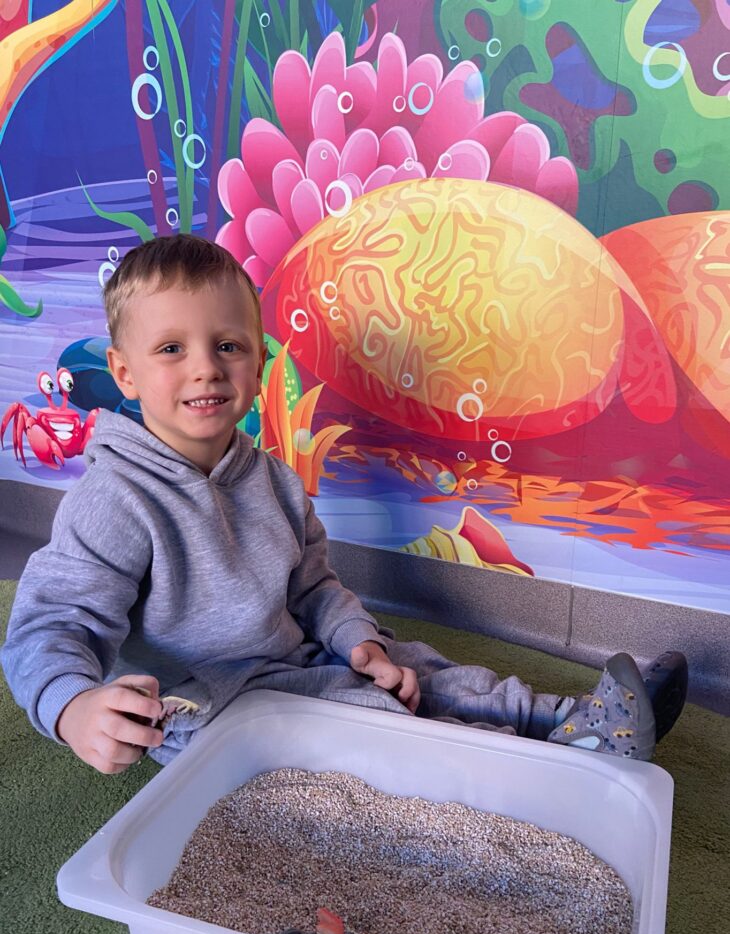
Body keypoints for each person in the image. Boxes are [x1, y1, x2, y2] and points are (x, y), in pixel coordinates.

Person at [0, 236, 688, 774]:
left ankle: (577, 718)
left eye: (228, 346)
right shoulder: (116, 499)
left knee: (418, 666)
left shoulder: (272, 480)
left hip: (297, 655)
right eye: (172, 349)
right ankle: (548, 769)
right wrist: (72, 706)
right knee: (374, 719)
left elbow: (314, 588)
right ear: (125, 373)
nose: (205, 367)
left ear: (258, 365)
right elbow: (51, 622)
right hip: (216, 705)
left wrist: (358, 640)